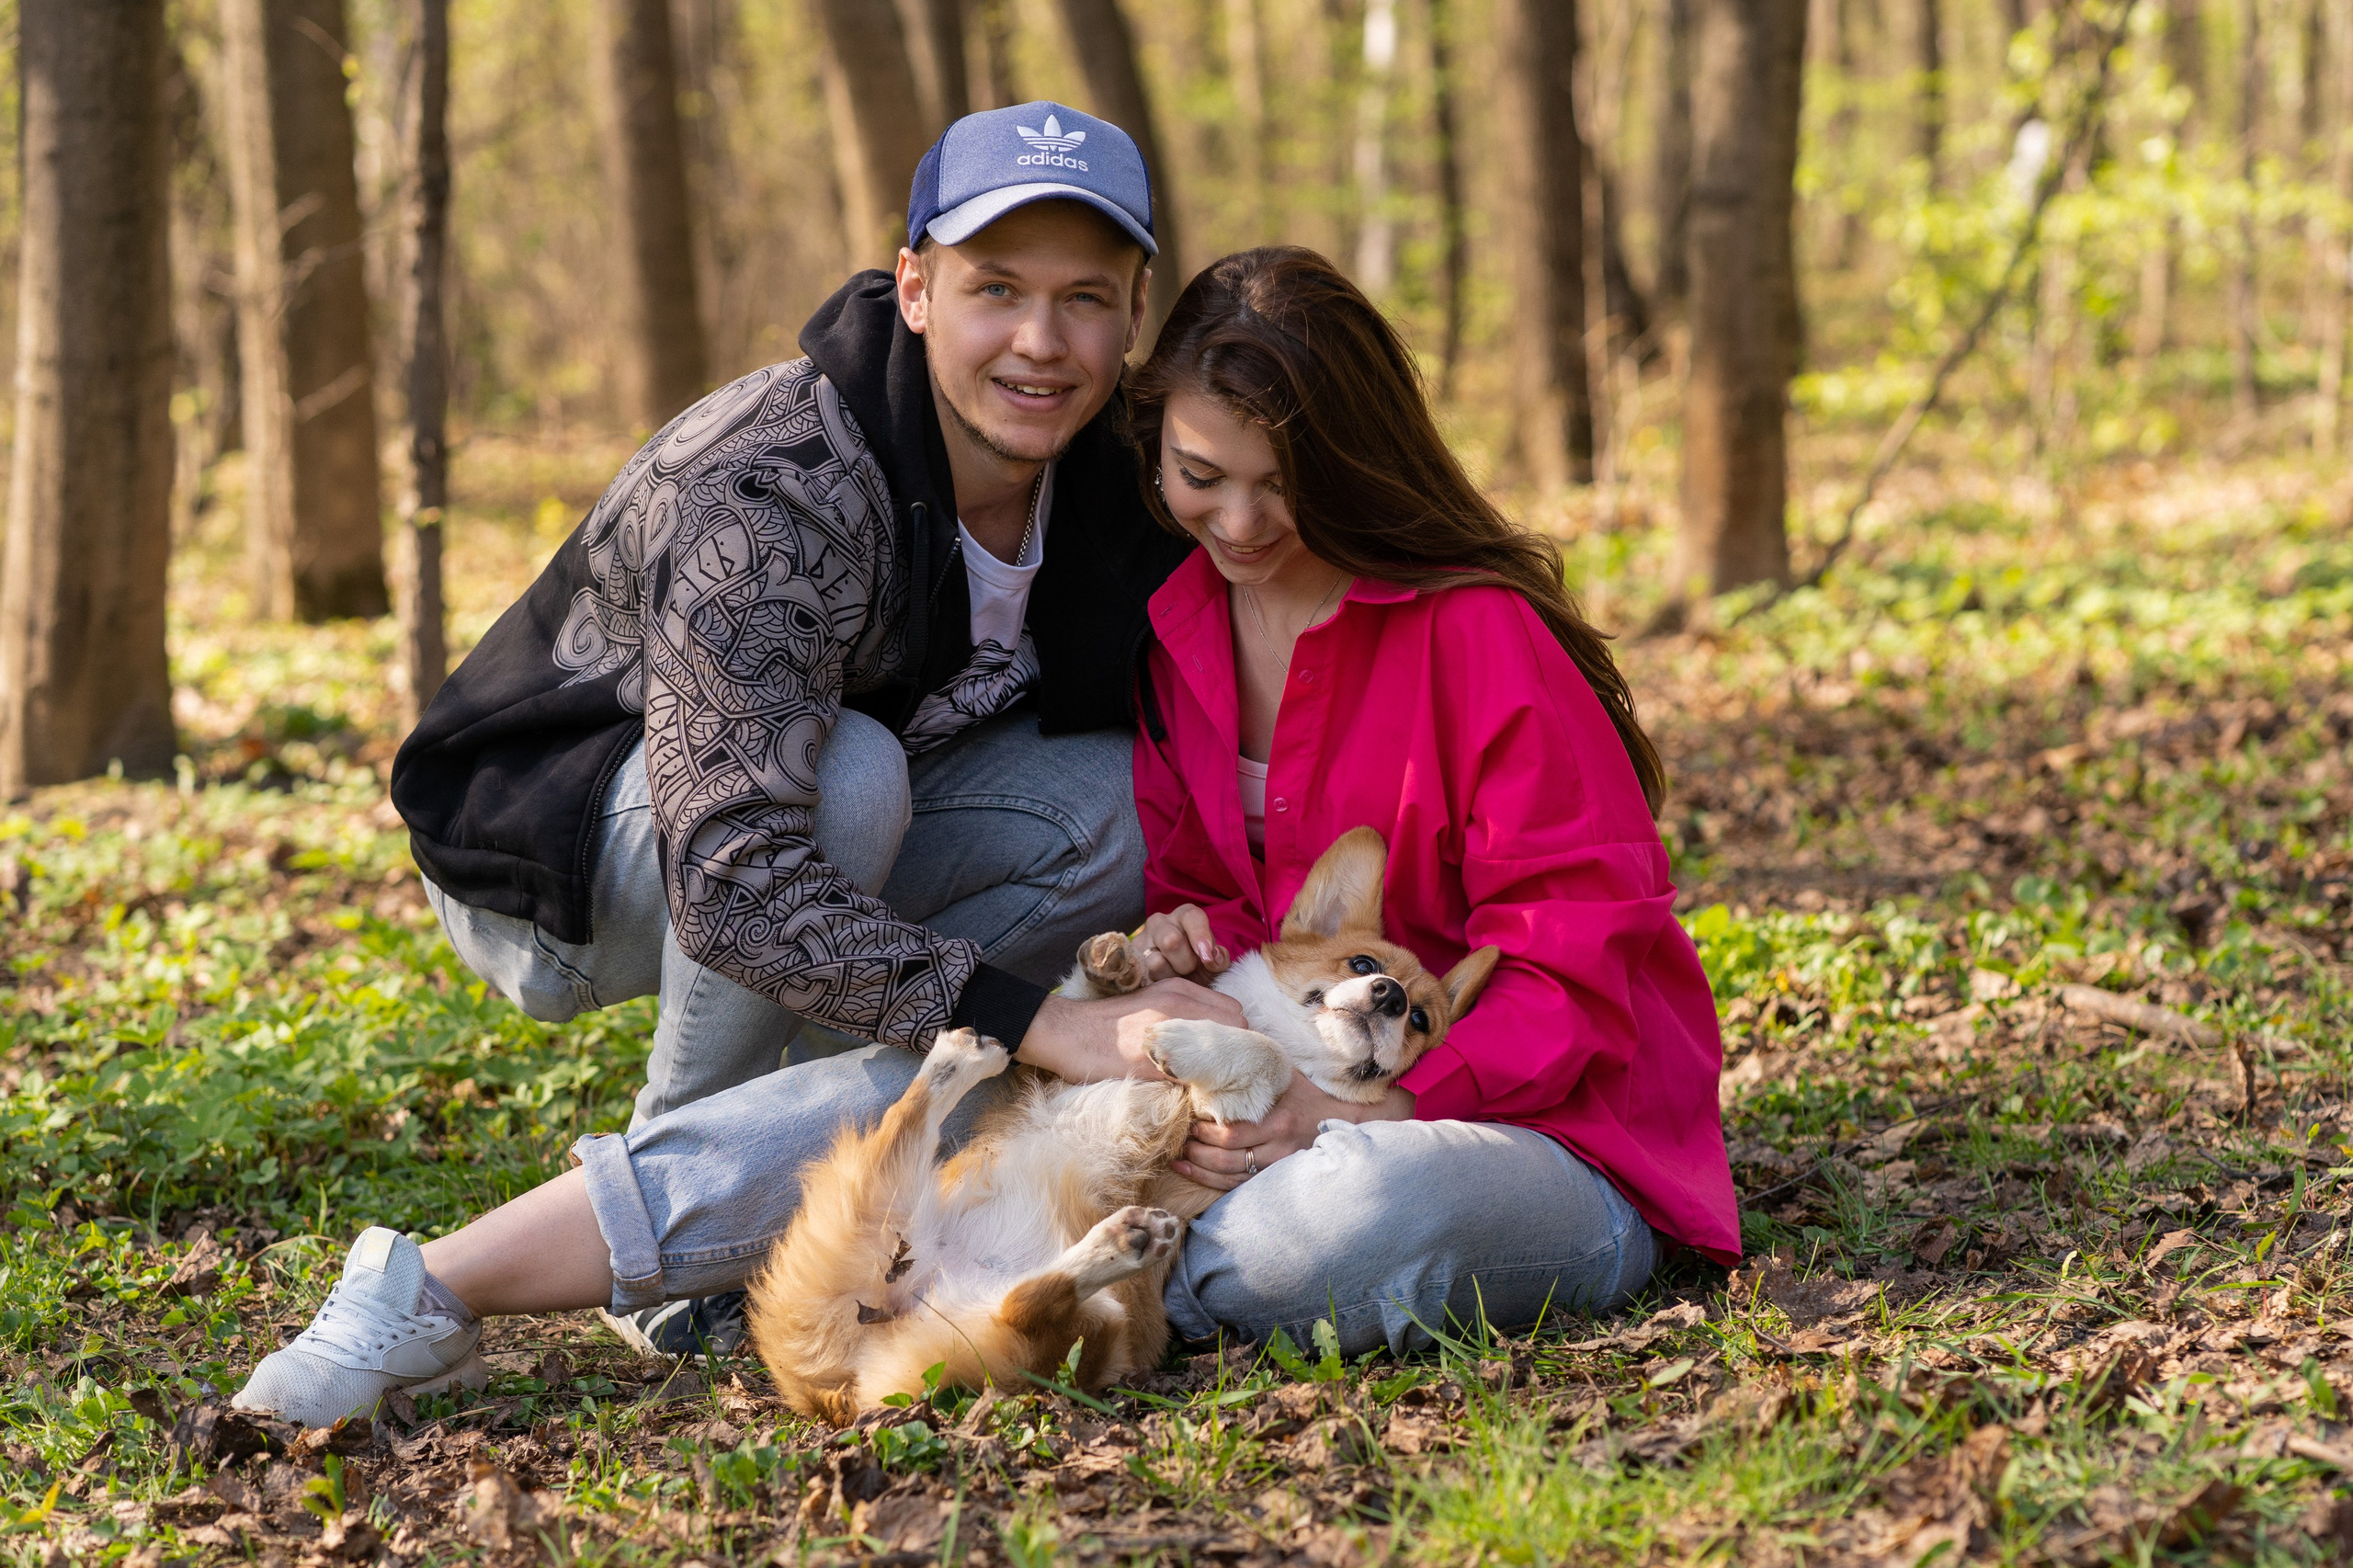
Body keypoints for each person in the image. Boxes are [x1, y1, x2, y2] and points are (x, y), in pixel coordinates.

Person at [233, 250, 1737, 1430]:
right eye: (1200, 479)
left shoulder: (1480, 639)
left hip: (1527, 1133)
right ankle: (430, 1284)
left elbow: (1583, 962)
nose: (1239, 523)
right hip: (1254, 1085)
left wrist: (1339, 1119)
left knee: (1335, 1215)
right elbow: (1216, 878)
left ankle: (1046, 1282)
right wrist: (1176, 952)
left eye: (1288, 485)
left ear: (1360, 462)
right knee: (949, 1081)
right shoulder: (1182, 612)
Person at [384, 102, 1238, 1358]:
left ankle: (849, 1166)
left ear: (1131, 312)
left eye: (1086, 299)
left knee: (1109, 804)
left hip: (842, 826)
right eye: (995, 288)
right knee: (845, 775)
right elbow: (735, 882)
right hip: (556, 866)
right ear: (915, 285)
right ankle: (683, 1231)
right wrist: (1025, 1017)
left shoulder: (1118, 475)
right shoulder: (773, 481)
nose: (1041, 342)